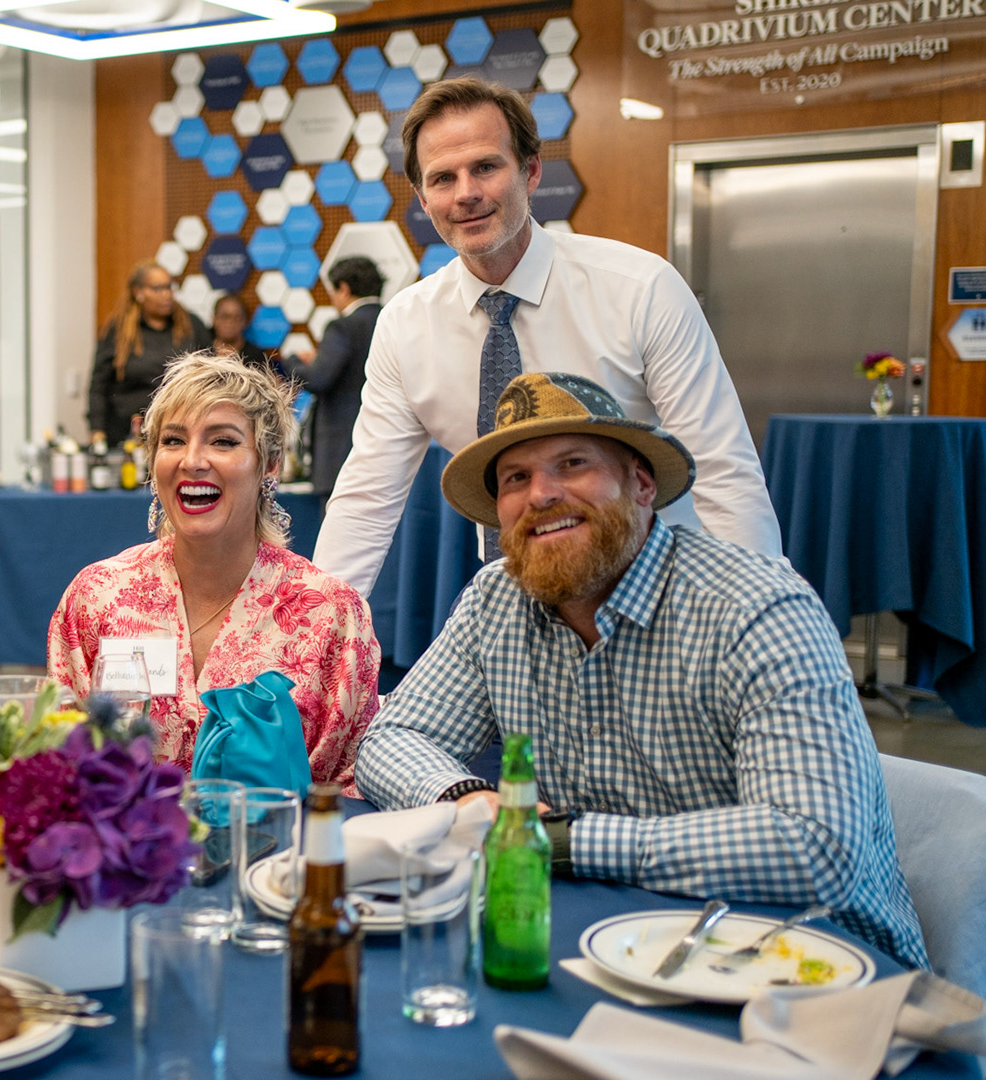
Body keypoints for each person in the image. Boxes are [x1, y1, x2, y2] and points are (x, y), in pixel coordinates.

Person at [355, 371, 927, 967]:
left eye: (573, 464)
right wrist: (469, 799)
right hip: (625, 942)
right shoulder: (497, 599)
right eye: (516, 478)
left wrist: (559, 840)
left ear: (643, 484)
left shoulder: (756, 610)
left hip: (822, 965)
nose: (541, 495)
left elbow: (817, 849)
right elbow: (392, 739)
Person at [311, 77, 781, 595]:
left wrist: (762, 609)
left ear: (531, 171)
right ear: (423, 199)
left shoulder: (641, 289)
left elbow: (723, 472)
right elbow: (366, 499)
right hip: (519, 591)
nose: (466, 193)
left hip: (662, 588)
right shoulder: (405, 325)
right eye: (443, 178)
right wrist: (315, 631)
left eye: (486, 167)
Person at [48, 352, 381, 792]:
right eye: (172, 440)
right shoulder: (98, 597)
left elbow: (351, 783)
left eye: (222, 442)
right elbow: (59, 763)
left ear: (270, 463)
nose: (192, 460)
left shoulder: (330, 615)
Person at [281, 257, 381, 498]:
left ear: (344, 289)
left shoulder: (342, 327)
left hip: (341, 452)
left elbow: (319, 379)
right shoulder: (393, 318)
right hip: (386, 445)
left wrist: (292, 361)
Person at [89, 262, 212, 446]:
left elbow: (211, 377)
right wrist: (97, 431)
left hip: (182, 429)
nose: (167, 295)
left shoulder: (191, 325)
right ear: (138, 292)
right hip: (126, 433)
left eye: (169, 287)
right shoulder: (118, 330)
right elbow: (99, 384)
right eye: (158, 289)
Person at [209, 293, 277, 376]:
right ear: (214, 319)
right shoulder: (202, 351)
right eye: (224, 316)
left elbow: (274, 381)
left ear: (245, 321)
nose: (230, 322)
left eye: (237, 318)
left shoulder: (257, 357)